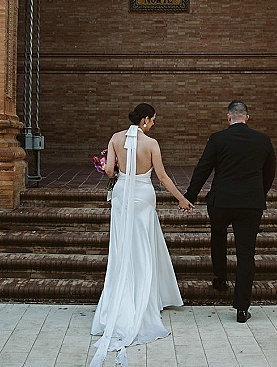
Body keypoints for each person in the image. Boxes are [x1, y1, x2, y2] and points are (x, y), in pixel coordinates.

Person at [90, 102, 193, 367]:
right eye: (153, 120)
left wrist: (109, 166)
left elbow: (110, 171)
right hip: (143, 196)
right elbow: (162, 177)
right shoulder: (151, 144)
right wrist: (182, 199)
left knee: (123, 245)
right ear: (145, 120)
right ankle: (145, 299)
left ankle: (121, 299)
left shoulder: (115, 138)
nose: (154, 124)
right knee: (143, 246)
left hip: (122, 194)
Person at [183, 100, 276, 323]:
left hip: (221, 201)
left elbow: (203, 168)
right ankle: (242, 308)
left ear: (228, 117)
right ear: (247, 117)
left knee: (218, 237)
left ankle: (221, 278)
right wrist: (258, 194)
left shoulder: (218, 139)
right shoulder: (262, 140)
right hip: (250, 204)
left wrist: (190, 196)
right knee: (246, 254)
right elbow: (270, 172)